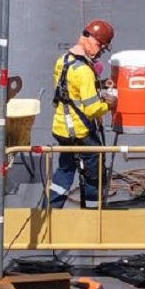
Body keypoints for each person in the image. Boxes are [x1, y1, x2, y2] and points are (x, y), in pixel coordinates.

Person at [48, 19, 116, 208]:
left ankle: (51, 208)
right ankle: (92, 215)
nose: (100, 52)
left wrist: (99, 85)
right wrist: (109, 104)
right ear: (95, 42)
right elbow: (92, 109)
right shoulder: (85, 71)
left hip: (61, 129)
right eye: (101, 48)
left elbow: (68, 91)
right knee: (94, 175)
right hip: (81, 133)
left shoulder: (63, 61)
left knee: (65, 170)